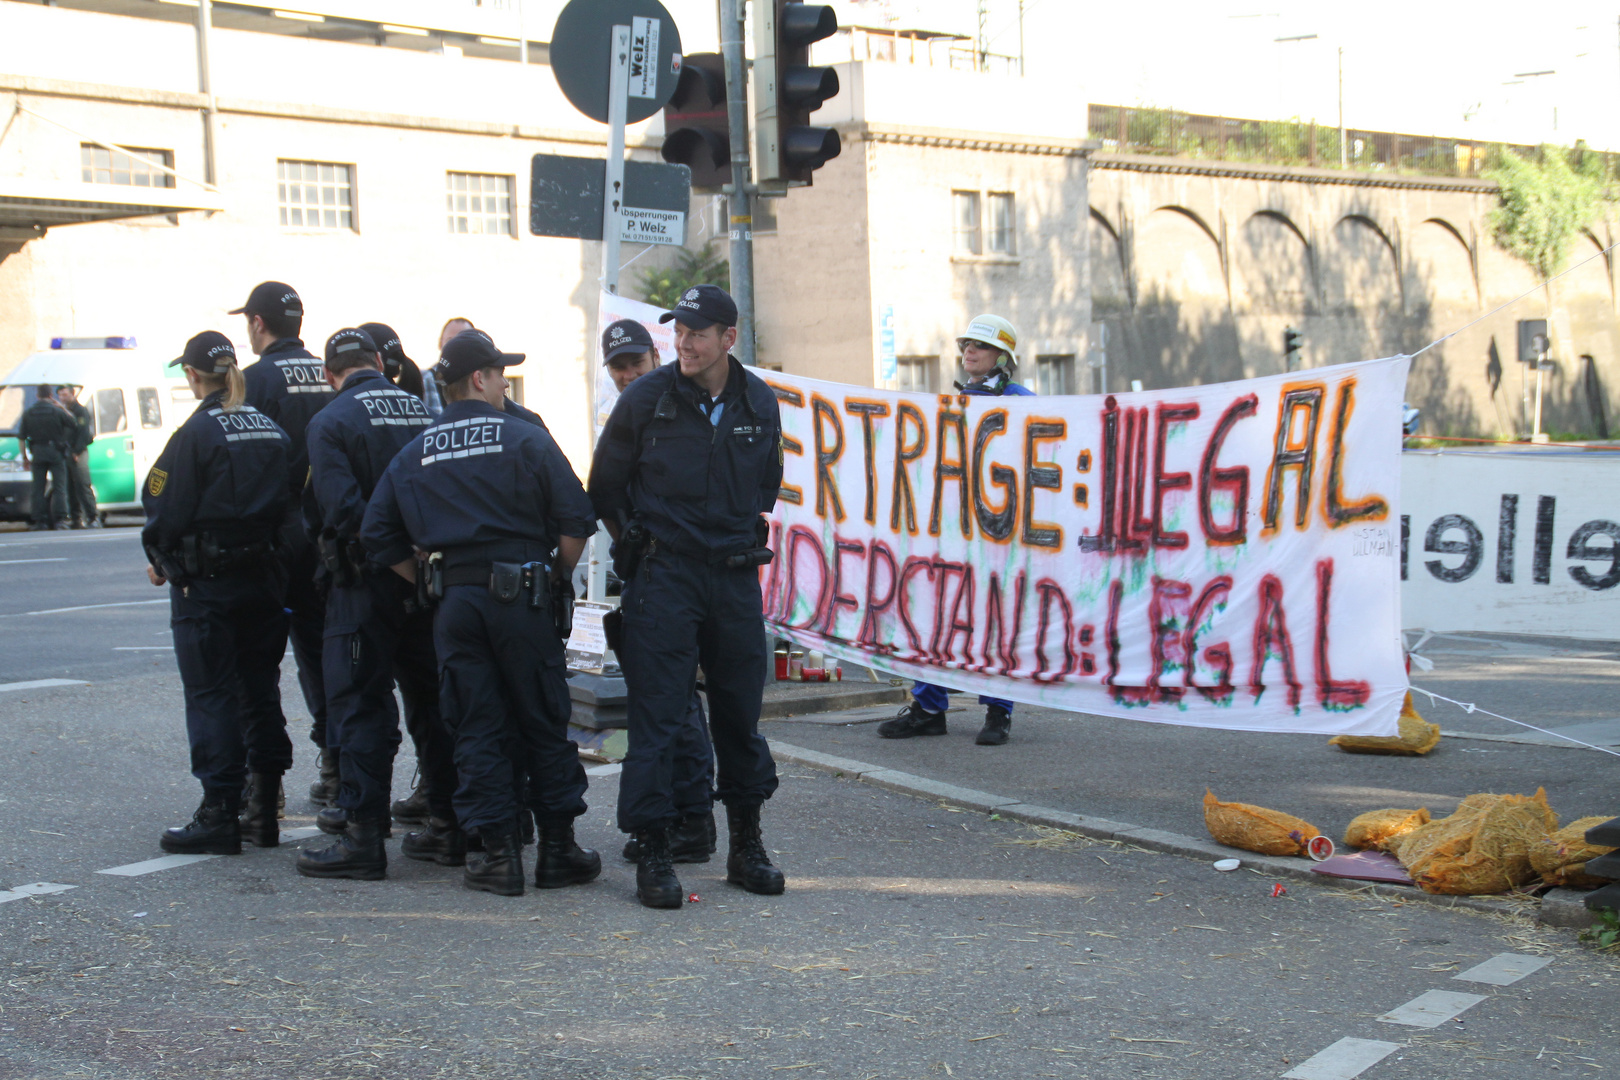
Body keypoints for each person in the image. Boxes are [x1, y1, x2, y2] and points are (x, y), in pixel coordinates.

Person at [361, 329, 599, 897]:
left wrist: (428, 579)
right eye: (499, 375)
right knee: (541, 716)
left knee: (476, 723)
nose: (502, 384)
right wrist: (554, 577)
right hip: (523, 596)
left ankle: (497, 856)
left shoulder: (415, 450)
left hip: (456, 604)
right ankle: (559, 850)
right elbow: (576, 519)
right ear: (478, 380)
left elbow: (378, 536)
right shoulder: (523, 438)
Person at [588, 284, 785, 909]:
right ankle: (653, 851)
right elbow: (605, 488)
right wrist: (639, 549)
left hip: (732, 577)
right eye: (680, 332)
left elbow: (766, 486)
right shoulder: (647, 398)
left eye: (698, 333)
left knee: (739, 717)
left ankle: (746, 845)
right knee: (657, 718)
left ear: (729, 338)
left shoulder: (759, 400)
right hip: (665, 579)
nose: (685, 343)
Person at [295, 328, 445, 880]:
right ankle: (447, 824)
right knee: (432, 700)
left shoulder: (330, 421)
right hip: (426, 582)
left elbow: (342, 512)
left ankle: (362, 835)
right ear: (379, 362)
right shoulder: (422, 411)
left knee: (360, 703)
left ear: (331, 374)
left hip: (363, 584)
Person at [141, 332, 293, 855]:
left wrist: (162, 558)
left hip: (206, 586)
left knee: (211, 695)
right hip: (264, 582)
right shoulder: (270, 428)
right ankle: (265, 806)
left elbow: (162, 506)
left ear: (191, 375)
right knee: (259, 690)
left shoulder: (196, 434)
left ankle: (220, 813)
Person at [878, 314, 1032, 747]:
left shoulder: (1023, 401)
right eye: (966, 344)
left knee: (995, 619)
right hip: (952, 530)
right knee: (935, 613)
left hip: (1001, 532)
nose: (969, 351)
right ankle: (928, 708)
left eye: (979, 346)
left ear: (1002, 356)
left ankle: (998, 713)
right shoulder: (953, 404)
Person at [598, 318, 719, 867]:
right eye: (618, 368)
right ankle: (686, 816)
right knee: (667, 700)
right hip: (650, 574)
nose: (627, 375)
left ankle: (691, 818)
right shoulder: (630, 411)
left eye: (635, 364)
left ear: (654, 356)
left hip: (683, 578)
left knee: (672, 705)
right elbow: (604, 490)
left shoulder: (686, 403)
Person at [231, 281, 337, 805]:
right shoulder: (331, 372)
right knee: (324, 652)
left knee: (260, 657)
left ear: (257, 323)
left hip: (277, 534)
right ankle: (337, 764)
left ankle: (264, 780)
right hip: (329, 532)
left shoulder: (251, 381)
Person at [17, 384, 74, 531]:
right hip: (56, 452)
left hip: (38, 452)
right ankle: (60, 519)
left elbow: (22, 438)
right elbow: (73, 422)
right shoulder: (56, 411)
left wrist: (24, 458)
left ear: (37, 396)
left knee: (38, 488)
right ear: (50, 396)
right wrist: (62, 407)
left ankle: (39, 521)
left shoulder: (29, 412)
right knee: (60, 487)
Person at [55, 386, 100, 528]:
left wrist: (77, 451)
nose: (63, 398)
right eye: (60, 395)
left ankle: (93, 517)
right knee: (70, 487)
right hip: (67, 453)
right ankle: (76, 518)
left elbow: (83, 432)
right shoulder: (63, 411)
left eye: (65, 394)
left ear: (72, 394)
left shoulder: (80, 411)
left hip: (78, 453)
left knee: (82, 485)